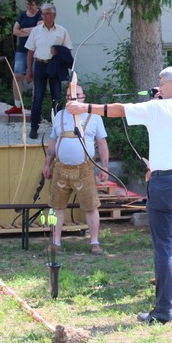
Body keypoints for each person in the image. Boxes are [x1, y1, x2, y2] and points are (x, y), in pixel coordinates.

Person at [66, 66, 172, 323]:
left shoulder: (158, 108)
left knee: (164, 247)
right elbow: (171, 114)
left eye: (162, 83)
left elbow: (119, 109)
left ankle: (163, 311)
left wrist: (83, 108)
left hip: (165, 181)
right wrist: (161, 97)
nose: (158, 86)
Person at [42, 83, 109, 255]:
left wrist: (104, 167)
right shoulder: (59, 115)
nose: (73, 99)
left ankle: (95, 243)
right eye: (69, 96)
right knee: (56, 207)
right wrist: (47, 164)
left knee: (91, 206)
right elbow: (53, 142)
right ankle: (55, 243)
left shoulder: (95, 116)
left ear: (83, 97)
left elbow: (102, 143)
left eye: (76, 95)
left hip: (84, 170)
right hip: (60, 169)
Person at [24, 3, 72, 140]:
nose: (44, 16)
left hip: (54, 65)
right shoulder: (36, 31)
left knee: (56, 97)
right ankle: (34, 127)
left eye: (47, 13)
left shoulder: (62, 31)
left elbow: (68, 51)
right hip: (40, 64)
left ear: (54, 15)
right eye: (43, 14)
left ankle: (58, 127)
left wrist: (59, 51)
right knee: (37, 97)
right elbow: (30, 52)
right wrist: (29, 71)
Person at [6, 0, 43, 115]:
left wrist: (24, 30)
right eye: (27, 4)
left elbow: (39, 29)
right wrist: (29, 31)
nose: (29, 7)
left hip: (36, 50)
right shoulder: (22, 14)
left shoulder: (40, 15)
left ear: (37, 5)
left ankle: (34, 106)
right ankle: (17, 105)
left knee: (36, 77)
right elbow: (15, 31)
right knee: (17, 75)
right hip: (22, 49)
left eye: (31, 5)